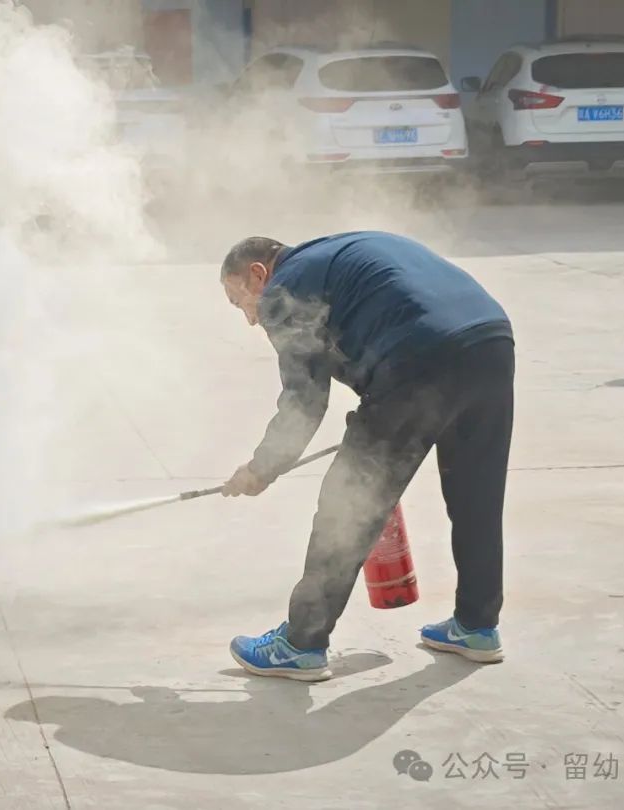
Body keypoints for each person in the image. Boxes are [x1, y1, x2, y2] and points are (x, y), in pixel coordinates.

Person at [219, 231, 514, 681]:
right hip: (490, 343)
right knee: (477, 496)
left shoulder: (284, 288)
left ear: (258, 274)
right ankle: (477, 626)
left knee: (346, 507)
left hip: (420, 358)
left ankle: (300, 644)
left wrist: (263, 468)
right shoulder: (334, 252)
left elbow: (304, 400)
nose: (251, 320)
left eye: (241, 302)